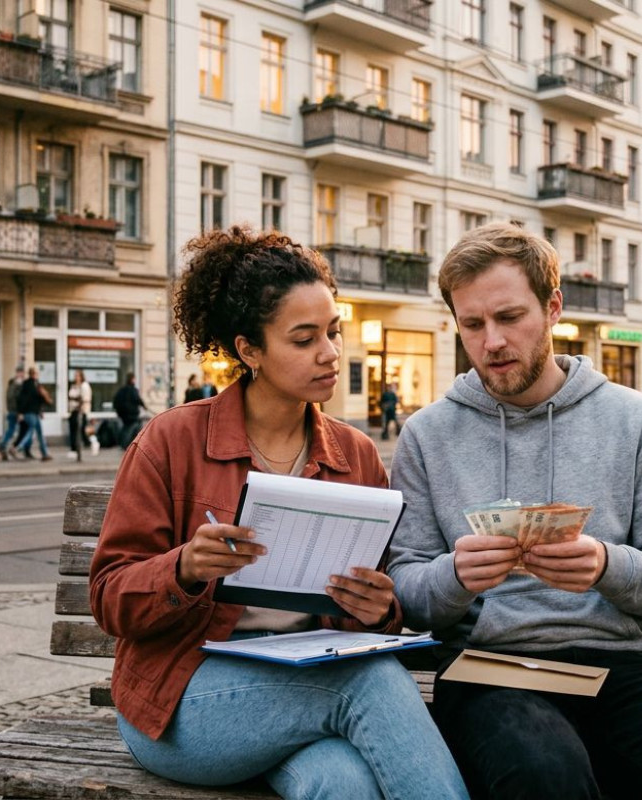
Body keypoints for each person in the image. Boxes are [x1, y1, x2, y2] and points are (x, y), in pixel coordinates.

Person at [385, 223, 642, 800]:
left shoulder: (633, 418)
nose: (492, 341)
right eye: (472, 324)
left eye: (509, 317)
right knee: (543, 776)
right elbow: (406, 590)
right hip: (488, 670)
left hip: (618, 670)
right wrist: (454, 576)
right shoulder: (428, 435)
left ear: (552, 309)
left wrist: (605, 566)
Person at [88, 226, 467, 800]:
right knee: (371, 682)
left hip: (300, 693)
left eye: (334, 333)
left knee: (341, 784)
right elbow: (109, 598)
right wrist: (185, 567)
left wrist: (379, 607)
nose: (331, 353)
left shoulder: (355, 454)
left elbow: (379, 608)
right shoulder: (172, 441)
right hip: (183, 703)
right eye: (304, 338)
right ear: (249, 350)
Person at [15, 366, 52, 461]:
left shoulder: (34, 384)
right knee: (31, 431)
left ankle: (45, 453)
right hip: (30, 412)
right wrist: (20, 412)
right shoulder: (31, 385)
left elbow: (36, 400)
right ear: (33, 374)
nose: (37, 375)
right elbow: (25, 400)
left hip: (33, 412)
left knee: (38, 433)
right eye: (36, 373)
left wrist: (40, 411)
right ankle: (19, 447)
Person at [0, 366, 26, 461]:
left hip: (13, 411)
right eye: (21, 373)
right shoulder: (16, 384)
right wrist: (17, 412)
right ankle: (6, 446)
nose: (22, 375)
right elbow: (14, 399)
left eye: (22, 373)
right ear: (18, 373)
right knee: (18, 431)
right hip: (15, 411)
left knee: (13, 430)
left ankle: (5, 446)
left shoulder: (12, 383)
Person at [67, 369, 97, 459]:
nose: (76, 377)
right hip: (73, 410)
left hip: (81, 411)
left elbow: (84, 399)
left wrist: (77, 401)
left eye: (78, 375)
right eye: (75, 376)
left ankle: (93, 443)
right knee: (73, 429)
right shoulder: (74, 386)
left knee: (82, 430)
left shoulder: (84, 386)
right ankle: (74, 450)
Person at [113, 374, 148, 449]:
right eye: (134, 379)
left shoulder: (122, 390)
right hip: (131, 415)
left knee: (127, 428)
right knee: (130, 429)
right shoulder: (133, 390)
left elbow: (116, 401)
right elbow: (137, 399)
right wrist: (144, 406)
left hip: (124, 414)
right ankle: (127, 444)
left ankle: (129, 444)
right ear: (132, 379)